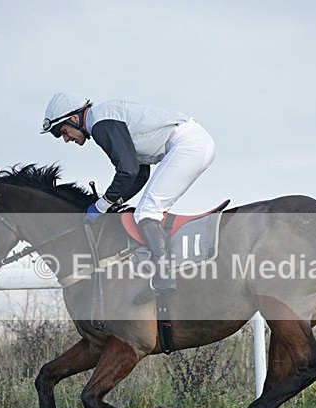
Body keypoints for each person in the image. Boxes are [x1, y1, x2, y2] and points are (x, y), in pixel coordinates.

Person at [41, 92, 216, 303]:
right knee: (147, 210)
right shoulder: (102, 118)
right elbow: (140, 174)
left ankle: (164, 277)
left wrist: (102, 205)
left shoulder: (100, 125)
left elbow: (128, 172)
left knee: (147, 212)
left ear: (75, 119)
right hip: (191, 143)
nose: (66, 139)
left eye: (64, 132)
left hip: (187, 145)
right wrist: (114, 202)